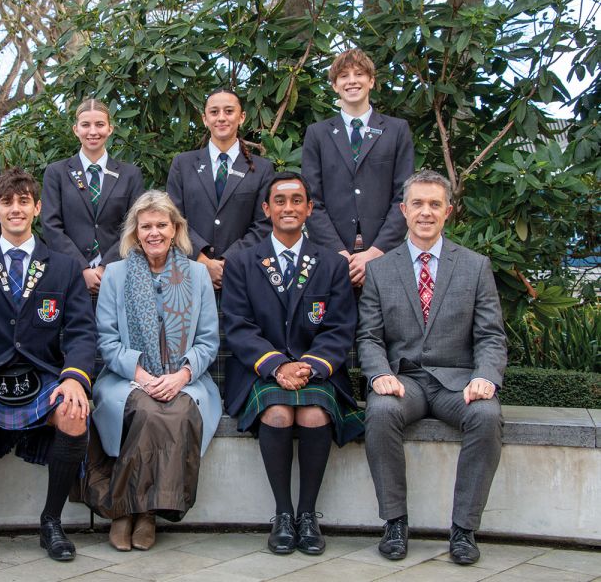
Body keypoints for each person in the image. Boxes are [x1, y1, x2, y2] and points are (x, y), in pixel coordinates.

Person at [0, 168, 97, 566]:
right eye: (7, 202)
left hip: (44, 373)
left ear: (37, 208)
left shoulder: (64, 267)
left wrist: (74, 379)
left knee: (74, 412)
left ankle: (51, 523)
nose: (16, 209)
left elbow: (81, 333)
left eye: (24, 201)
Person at [357, 169, 506, 566]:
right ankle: (395, 522)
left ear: (448, 212)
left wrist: (484, 377)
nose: (426, 212)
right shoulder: (380, 270)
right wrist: (379, 374)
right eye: (418, 204)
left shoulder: (475, 266)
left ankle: (464, 529)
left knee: (487, 416)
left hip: (458, 383)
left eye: (435, 204)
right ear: (403, 210)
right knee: (380, 411)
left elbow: (491, 336)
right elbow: (368, 337)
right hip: (405, 381)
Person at [222, 172, 363, 556]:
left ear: (309, 208)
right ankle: (283, 514)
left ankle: (307, 515)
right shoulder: (242, 262)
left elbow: (340, 327)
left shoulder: (331, 264)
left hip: (317, 369)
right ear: (266, 209)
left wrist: (309, 366)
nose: (289, 207)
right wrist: (276, 366)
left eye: (297, 200)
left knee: (315, 414)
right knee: (278, 413)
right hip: (260, 370)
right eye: (280, 201)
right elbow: (238, 326)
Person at [84, 190, 221, 552]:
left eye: (162, 225)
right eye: (146, 226)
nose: (154, 232)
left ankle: (137, 512)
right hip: (127, 378)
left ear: (175, 229)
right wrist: (143, 377)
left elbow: (208, 341)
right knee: (146, 410)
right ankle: (134, 512)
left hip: (186, 379)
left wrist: (181, 377)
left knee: (176, 411)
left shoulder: (197, 275)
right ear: (135, 232)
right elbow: (107, 341)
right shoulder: (115, 275)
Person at [301, 48, 413, 289]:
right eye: (344, 76)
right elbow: (312, 201)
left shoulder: (397, 130)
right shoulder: (317, 134)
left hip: (385, 256)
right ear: (335, 86)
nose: (352, 81)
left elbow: (404, 197)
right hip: (333, 259)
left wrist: (375, 252)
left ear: (371, 81)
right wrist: (338, 253)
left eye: (359, 74)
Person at [166, 88, 275, 290]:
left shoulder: (262, 169)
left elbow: (264, 225)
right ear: (205, 119)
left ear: (242, 117)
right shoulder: (183, 164)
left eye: (229, 111)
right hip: (189, 275)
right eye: (214, 112)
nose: (221, 118)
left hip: (242, 277)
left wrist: (228, 261)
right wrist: (202, 260)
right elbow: (173, 218)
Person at [42, 98, 145, 294]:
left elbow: (135, 226)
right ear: (75, 129)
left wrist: (106, 266)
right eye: (85, 125)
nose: (93, 131)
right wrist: (82, 268)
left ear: (110, 129)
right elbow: (50, 225)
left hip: (118, 274)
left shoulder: (130, 175)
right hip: (70, 276)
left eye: (99, 124)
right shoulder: (56, 173)